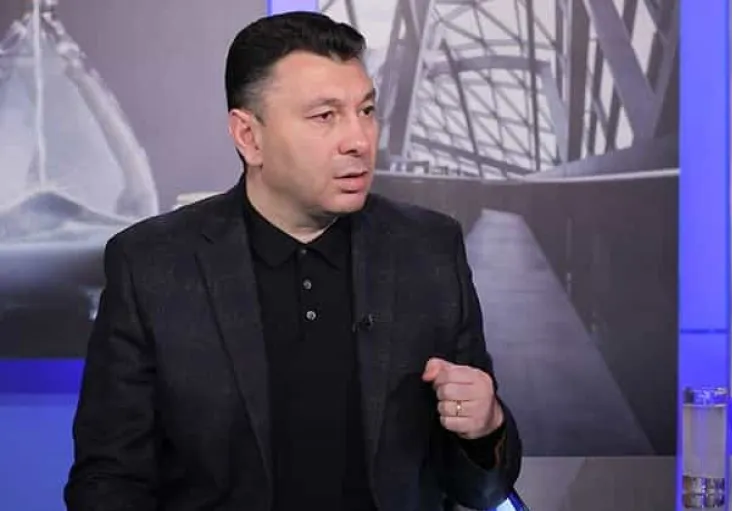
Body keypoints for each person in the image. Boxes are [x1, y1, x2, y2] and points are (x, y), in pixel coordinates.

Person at [64, 11, 522, 511]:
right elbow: (108, 479)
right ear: (248, 136)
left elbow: (482, 491)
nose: (359, 140)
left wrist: (486, 427)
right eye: (325, 116)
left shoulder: (428, 249)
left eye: (366, 110)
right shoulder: (153, 266)